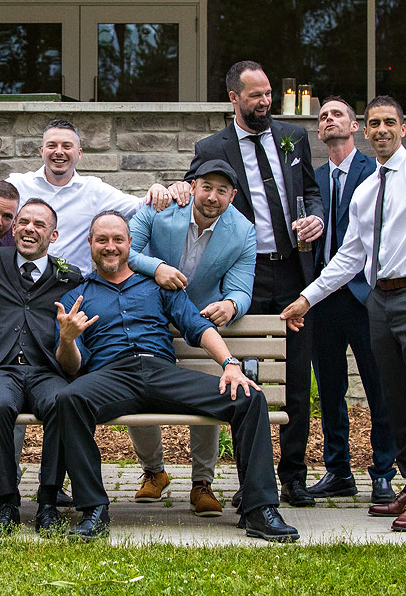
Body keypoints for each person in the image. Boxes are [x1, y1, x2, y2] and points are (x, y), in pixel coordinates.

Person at [51, 211, 298, 543]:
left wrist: (230, 364)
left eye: (118, 240)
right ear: (90, 243)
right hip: (112, 376)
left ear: (129, 244)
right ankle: (94, 509)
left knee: (249, 398)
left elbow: (197, 327)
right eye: (102, 240)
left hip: (162, 372)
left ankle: (259, 510)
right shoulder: (76, 298)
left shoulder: (156, 285)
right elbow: (71, 366)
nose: (110, 247)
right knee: (69, 399)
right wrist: (67, 338)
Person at [281, 95, 406, 532]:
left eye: (388, 123)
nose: (381, 130)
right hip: (379, 300)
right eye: (374, 122)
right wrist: (308, 298)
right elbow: (349, 257)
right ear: (367, 128)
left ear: (402, 128)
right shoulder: (367, 189)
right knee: (395, 395)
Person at [186, 60, 324, 507]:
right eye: (255, 95)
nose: (265, 102)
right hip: (243, 276)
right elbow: (195, 197)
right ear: (233, 98)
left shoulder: (293, 136)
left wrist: (316, 218)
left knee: (296, 380)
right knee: (246, 380)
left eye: (268, 94)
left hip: (293, 274)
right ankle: (253, 481)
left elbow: (311, 189)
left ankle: (294, 476)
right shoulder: (212, 145)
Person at [123, 159, 256, 517]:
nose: (212, 197)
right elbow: (124, 251)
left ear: (233, 195)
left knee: (210, 391)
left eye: (222, 191)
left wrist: (231, 304)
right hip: (150, 315)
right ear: (193, 185)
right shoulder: (161, 207)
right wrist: (157, 267)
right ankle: (154, 472)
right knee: (139, 391)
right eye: (207, 187)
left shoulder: (243, 231)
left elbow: (242, 287)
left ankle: (202, 482)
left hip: (199, 321)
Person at [305, 97, 398, 505]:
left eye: (336, 114)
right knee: (329, 389)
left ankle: (383, 472)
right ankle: (338, 470)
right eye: (323, 117)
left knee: (379, 386)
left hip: (364, 297)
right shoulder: (313, 178)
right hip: (324, 300)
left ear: (354, 126)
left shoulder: (373, 171)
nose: (328, 120)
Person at [0, 199, 83, 536]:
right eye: (23, 222)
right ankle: (7, 500)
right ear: (14, 227)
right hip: (0, 367)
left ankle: (48, 500)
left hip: (44, 369)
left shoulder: (69, 277)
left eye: (39, 225)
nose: (29, 229)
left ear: (53, 235)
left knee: (63, 405)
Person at [0, 118, 177, 269]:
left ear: (79, 153)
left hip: (72, 287)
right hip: (21, 286)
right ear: (42, 151)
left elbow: (141, 206)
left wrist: (161, 189)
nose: (59, 152)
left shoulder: (94, 190)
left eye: (67, 146)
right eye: (52, 146)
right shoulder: (19, 185)